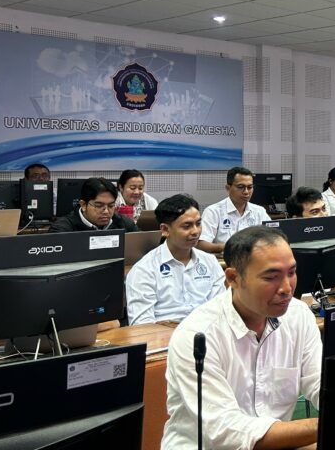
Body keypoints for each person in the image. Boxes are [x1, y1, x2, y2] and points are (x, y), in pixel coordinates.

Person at [162, 226, 322, 449]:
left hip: (276, 444)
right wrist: (326, 425)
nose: (287, 288)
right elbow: (226, 432)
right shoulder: (197, 336)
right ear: (233, 278)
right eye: (272, 277)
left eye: (292, 273)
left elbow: (320, 383)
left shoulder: (298, 315)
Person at [125, 194, 225, 325]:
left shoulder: (210, 262)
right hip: (164, 336)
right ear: (165, 229)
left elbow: (221, 310)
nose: (196, 231)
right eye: (187, 226)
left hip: (208, 332)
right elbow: (142, 325)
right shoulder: (144, 270)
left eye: (198, 224)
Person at [198, 167, 271, 254]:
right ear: (228, 188)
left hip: (254, 258)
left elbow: (273, 238)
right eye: (241, 187)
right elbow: (201, 244)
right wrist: (230, 247)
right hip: (224, 260)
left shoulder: (259, 211)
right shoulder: (213, 211)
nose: (246, 192)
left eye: (250, 187)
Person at [50, 177, 139, 232]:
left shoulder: (125, 224)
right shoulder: (63, 229)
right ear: (83, 205)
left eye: (111, 206)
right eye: (99, 206)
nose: (106, 211)